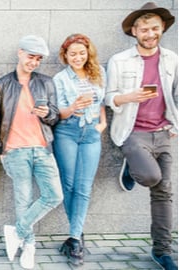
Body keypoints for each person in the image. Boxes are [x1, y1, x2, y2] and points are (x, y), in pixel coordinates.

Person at [105, 2, 177, 269]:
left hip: (163, 133)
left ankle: (163, 251)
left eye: (155, 28)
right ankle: (133, 166)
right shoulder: (119, 60)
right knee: (150, 176)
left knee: (163, 194)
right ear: (135, 31)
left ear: (162, 29)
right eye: (144, 29)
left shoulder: (172, 58)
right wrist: (129, 97)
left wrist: (176, 125)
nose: (150, 34)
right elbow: (108, 97)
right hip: (133, 132)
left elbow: (177, 94)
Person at [0, 35, 63, 270]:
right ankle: (29, 247)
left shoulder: (46, 82)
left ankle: (17, 231)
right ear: (20, 52)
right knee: (22, 201)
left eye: (39, 59)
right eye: (31, 56)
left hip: (42, 148)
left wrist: (47, 114)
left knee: (54, 196)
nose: (34, 62)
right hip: (15, 151)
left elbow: (55, 116)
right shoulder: (2, 84)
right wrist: (1, 150)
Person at [52, 34, 107, 265]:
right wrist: (73, 107)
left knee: (84, 186)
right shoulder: (60, 78)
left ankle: (75, 238)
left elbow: (102, 101)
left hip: (91, 133)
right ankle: (77, 232)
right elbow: (58, 112)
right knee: (70, 185)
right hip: (67, 131)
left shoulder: (99, 73)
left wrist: (103, 123)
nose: (78, 57)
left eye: (82, 53)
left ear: (88, 53)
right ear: (65, 56)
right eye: (72, 54)